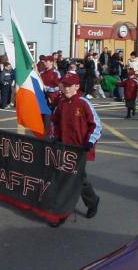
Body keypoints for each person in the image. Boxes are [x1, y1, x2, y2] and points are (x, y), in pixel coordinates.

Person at [51, 72, 101, 224]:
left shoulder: (84, 103)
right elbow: (54, 123)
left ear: (77, 86)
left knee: (76, 179)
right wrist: (54, 137)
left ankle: (91, 202)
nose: (65, 89)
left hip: (80, 148)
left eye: (69, 86)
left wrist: (90, 142)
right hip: (64, 147)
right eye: (64, 85)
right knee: (66, 179)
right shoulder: (60, 103)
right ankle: (61, 213)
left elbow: (96, 125)